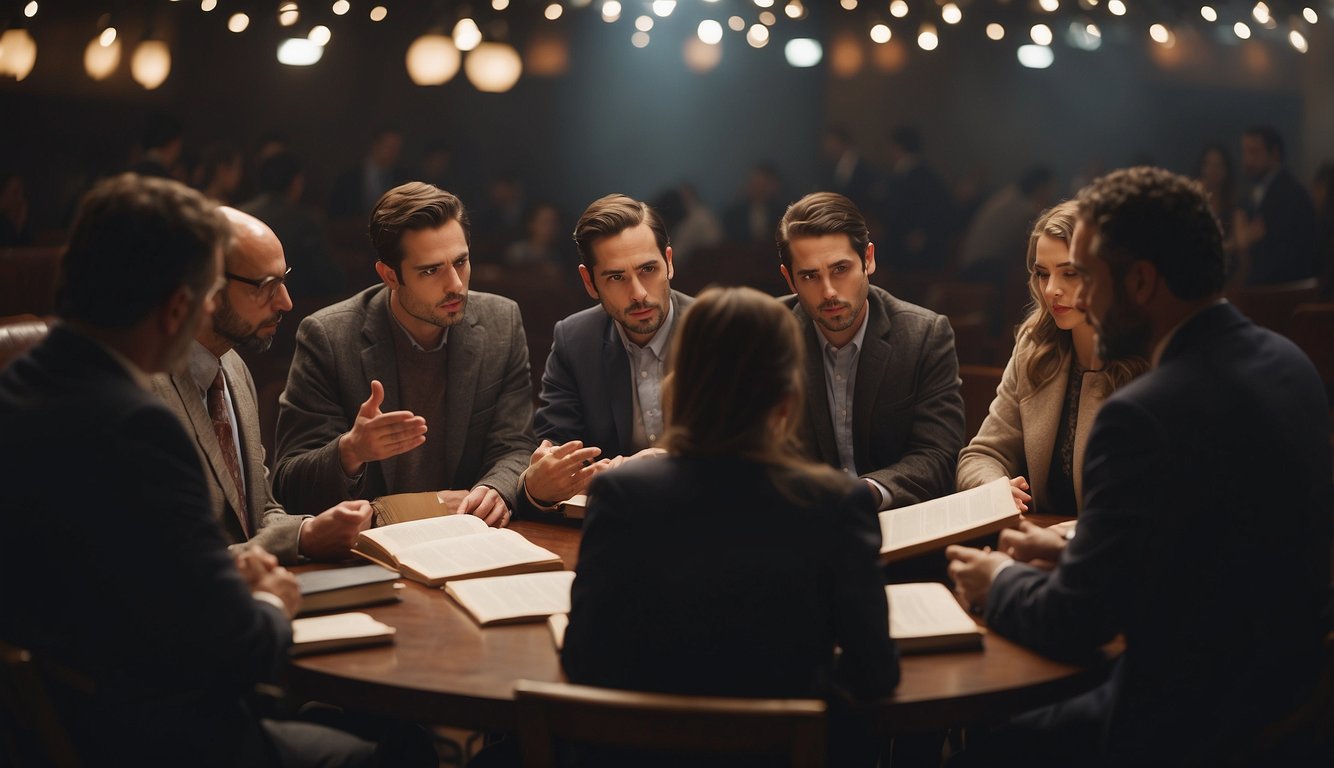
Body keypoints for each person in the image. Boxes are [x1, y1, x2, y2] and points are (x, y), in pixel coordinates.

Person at [947, 167, 1332, 765]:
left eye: (1089, 277)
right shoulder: (1289, 362)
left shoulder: (1145, 413)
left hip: (1191, 724)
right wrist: (1077, 553)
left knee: (985, 747)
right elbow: (1205, 549)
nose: (1077, 299)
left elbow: (1075, 621)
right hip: (1294, 702)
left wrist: (996, 580)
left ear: (1142, 281)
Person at [0, 173, 373, 766]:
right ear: (179, 307)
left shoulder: (19, 384)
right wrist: (273, 602)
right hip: (139, 735)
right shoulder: (137, 425)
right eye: (204, 297)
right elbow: (237, 650)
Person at [563, 286, 899, 765]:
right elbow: (875, 675)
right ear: (787, 397)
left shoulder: (622, 494)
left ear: (679, 384)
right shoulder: (836, 503)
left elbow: (582, 660)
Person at [273, 181, 534, 525]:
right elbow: (288, 484)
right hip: (372, 542)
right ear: (389, 275)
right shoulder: (329, 336)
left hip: (469, 533)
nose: (455, 284)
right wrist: (350, 451)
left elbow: (515, 445)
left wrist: (496, 490)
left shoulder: (502, 321)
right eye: (431, 270)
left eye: (461, 261)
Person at [152, 208, 372, 564]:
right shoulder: (143, 393)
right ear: (205, 286)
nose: (286, 301)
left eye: (283, 281)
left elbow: (260, 507)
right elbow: (168, 562)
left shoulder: (233, 367)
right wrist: (302, 540)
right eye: (266, 287)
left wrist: (306, 532)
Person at [777, 191, 964, 511]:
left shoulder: (924, 335)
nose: (829, 292)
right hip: (801, 525)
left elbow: (937, 454)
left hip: (896, 520)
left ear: (868, 259)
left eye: (840, 269)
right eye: (810, 276)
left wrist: (867, 493)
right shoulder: (766, 337)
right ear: (789, 280)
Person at [957, 201, 1145, 516]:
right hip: (1038, 542)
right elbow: (982, 454)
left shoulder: (1153, 357)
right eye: (1043, 274)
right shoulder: (1035, 346)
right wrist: (993, 488)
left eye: (1069, 273)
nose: (1052, 290)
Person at [521, 194, 693, 513]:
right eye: (616, 277)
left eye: (648, 269)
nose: (638, 293)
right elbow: (555, 454)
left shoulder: (718, 332)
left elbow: (745, 456)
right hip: (613, 522)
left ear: (669, 262)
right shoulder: (574, 339)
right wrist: (540, 486)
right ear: (589, 282)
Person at [1236, 124, 1319, 285]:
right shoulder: (1258, 193)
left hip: (1280, 295)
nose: (1247, 160)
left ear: (1274, 154)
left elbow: (1281, 258)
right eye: (1244, 152)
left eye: (1254, 152)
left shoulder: (1290, 194)